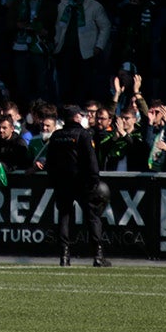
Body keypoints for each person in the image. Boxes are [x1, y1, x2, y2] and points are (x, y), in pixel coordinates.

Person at [46, 105, 110, 267]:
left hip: (63, 183)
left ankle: (64, 256)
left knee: (64, 217)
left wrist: (54, 180)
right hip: (83, 183)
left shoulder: (56, 136)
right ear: (76, 117)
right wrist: (94, 180)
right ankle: (98, 255)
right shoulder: (83, 135)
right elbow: (91, 160)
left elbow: (50, 162)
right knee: (92, 217)